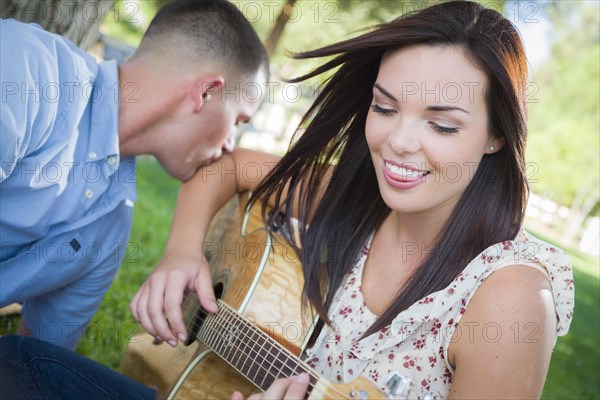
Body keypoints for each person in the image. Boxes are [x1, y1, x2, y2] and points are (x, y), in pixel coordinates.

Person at [0, 1, 573, 399]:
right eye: (385, 106)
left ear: (497, 134)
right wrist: (182, 253)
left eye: (442, 126)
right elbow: (227, 169)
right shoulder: (360, 200)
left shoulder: (510, 297)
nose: (398, 141)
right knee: (18, 366)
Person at [0, 0, 269, 350]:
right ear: (206, 93)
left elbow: (36, 364)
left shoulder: (111, 228)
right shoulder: (28, 72)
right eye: (238, 121)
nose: (231, 145)